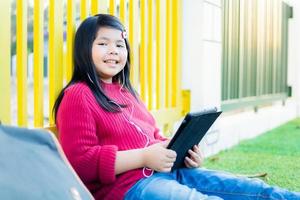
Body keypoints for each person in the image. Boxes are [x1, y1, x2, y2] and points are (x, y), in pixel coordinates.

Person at [53, 14, 300, 200]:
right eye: (103, 43)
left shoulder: (127, 93)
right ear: (84, 49)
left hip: (168, 174)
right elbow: (80, 163)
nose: (114, 51)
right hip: (128, 188)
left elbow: (154, 137)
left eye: (120, 45)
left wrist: (180, 153)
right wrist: (144, 156)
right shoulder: (78, 95)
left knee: (255, 191)